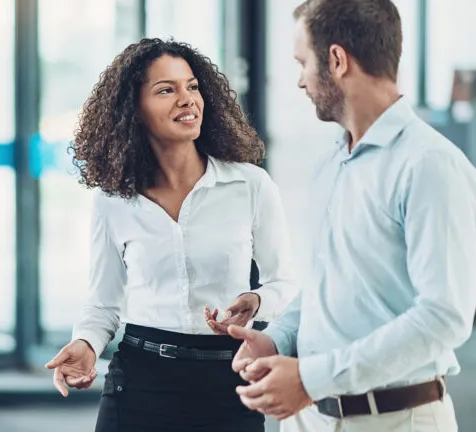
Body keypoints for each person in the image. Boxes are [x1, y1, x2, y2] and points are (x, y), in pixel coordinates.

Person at [223, 0, 476, 431]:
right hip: (311, 420)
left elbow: (444, 317)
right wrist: (276, 338)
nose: (300, 80)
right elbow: (328, 288)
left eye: (303, 62)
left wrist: (310, 378)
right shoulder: (331, 163)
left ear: (337, 60)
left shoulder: (431, 165)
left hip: (396, 419)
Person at [44, 38, 298, 432]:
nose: (187, 99)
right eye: (166, 90)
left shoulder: (250, 185)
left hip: (227, 383)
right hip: (139, 383)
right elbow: (103, 304)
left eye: (192, 87)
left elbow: (284, 283)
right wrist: (86, 344)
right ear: (134, 110)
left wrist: (256, 300)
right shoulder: (113, 201)